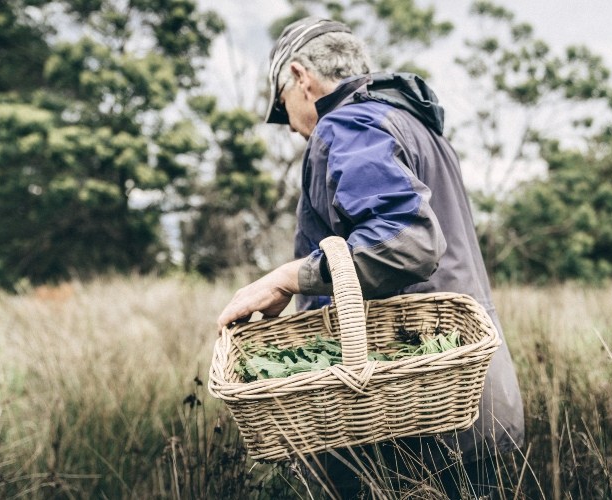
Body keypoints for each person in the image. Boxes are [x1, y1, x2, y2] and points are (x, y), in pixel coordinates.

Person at [217, 16, 525, 498]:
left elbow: (409, 240)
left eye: (283, 107)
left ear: (301, 78)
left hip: (408, 423)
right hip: (477, 401)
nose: (295, 128)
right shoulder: (416, 127)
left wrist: (287, 278)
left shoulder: (349, 124)